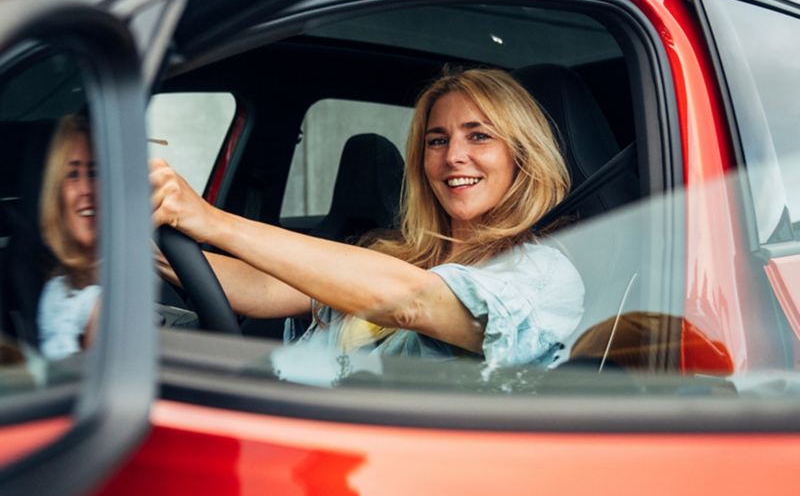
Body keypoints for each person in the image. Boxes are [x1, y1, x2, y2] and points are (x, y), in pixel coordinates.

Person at [151, 68, 584, 368]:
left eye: (479, 136)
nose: (454, 156)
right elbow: (263, 287)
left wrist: (209, 219)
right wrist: (133, 240)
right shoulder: (397, 254)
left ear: (522, 154)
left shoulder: (543, 275)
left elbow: (413, 303)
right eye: (437, 140)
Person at [37, 114, 100, 360]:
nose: (86, 189)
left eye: (94, 173)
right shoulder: (63, 296)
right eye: (73, 175)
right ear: (57, 195)